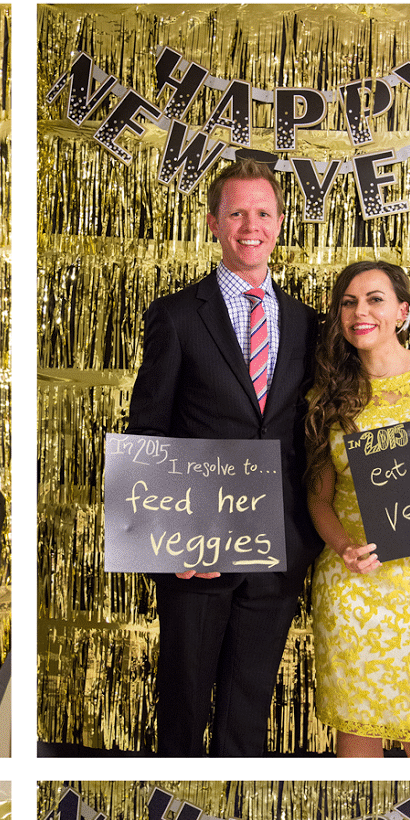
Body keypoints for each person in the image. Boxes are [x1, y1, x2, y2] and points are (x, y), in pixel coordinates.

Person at [127, 157, 321, 756]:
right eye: (236, 212)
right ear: (214, 222)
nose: (249, 225)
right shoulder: (179, 316)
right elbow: (149, 427)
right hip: (198, 544)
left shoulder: (309, 323)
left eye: (262, 212)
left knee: (249, 702)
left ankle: (234, 797)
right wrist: (169, 541)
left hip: (280, 542)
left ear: (280, 222)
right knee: (183, 698)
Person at [305, 260, 410, 757]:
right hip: (354, 585)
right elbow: (319, 498)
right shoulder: (326, 397)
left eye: (375, 299)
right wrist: (344, 547)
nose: (361, 311)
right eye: (349, 302)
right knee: (355, 736)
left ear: (402, 310)